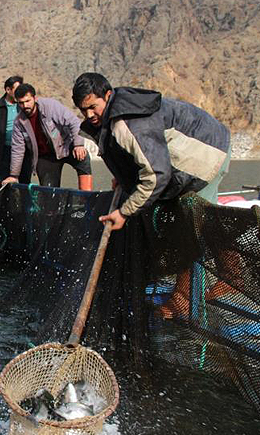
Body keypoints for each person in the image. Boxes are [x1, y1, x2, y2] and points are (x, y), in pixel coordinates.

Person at [71, 72, 232, 318]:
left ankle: (203, 290)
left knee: (192, 226)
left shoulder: (128, 122)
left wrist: (125, 212)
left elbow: (156, 174)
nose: (89, 115)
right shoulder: (110, 117)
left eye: (93, 107)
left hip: (206, 154)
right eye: (84, 110)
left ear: (108, 95)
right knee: (186, 225)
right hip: (176, 163)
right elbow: (138, 156)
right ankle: (219, 279)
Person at [1, 84, 93, 190]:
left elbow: (74, 122)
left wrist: (78, 144)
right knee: (48, 191)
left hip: (65, 146)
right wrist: (14, 175)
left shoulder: (50, 106)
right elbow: (18, 150)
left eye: (28, 101)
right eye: (21, 103)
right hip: (45, 157)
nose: (25, 105)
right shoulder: (18, 122)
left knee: (83, 157)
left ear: (35, 98)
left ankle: (86, 197)